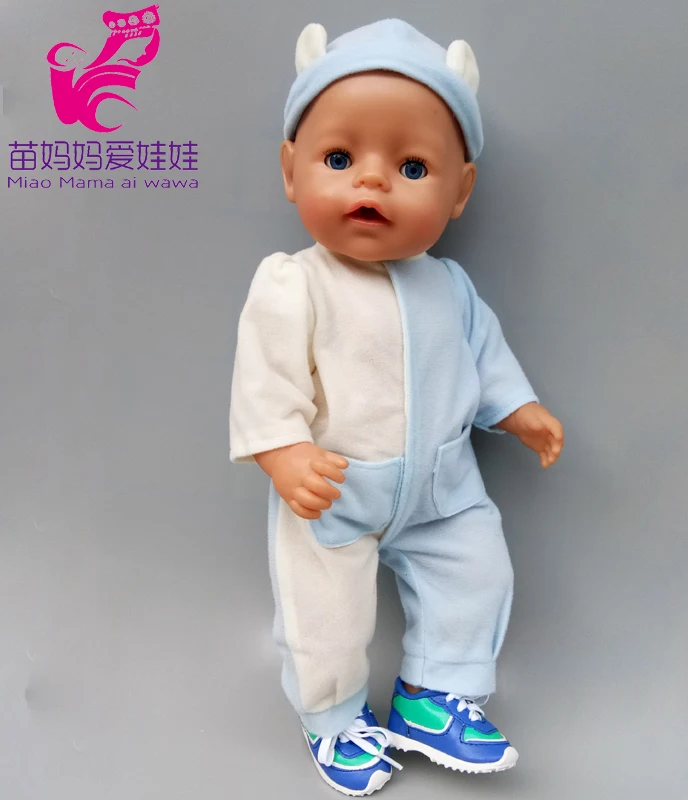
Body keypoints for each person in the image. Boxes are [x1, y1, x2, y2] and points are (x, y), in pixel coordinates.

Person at [230, 18, 564, 796]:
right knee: (325, 616)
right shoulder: (294, 283)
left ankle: (432, 694)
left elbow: (484, 358)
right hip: (336, 489)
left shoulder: (449, 285)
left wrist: (519, 409)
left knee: (477, 572)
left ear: (459, 191)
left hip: (444, 488)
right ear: (290, 169)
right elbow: (265, 379)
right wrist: (283, 452)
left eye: (412, 167)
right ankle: (333, 718)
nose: (371, 183)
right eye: (339, 159)